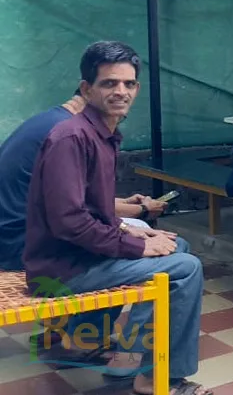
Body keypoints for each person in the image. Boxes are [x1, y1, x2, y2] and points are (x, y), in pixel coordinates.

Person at [23, 41, 208, 395]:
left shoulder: (102, 135)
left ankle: (131, 354)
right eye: (109, 83)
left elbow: (94, 211)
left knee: (177, 244)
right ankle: (159, 378)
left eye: (128, 83)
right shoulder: (71, 137)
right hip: (63, 269)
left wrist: (141, 236)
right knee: (185, 268)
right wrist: (137, 245)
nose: (120, 91)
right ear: (86, 89)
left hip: (81, 255)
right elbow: (69, 221)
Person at [0, 91, 166, 271]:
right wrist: (142, 210)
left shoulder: (49, 120)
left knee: (140, 234)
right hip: (23, 246)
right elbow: (72, 211)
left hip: (11, 236)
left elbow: (70, 197)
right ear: (90, 94)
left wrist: (122, 204)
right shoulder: (69, 134)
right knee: (145, 236)